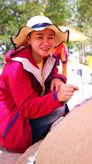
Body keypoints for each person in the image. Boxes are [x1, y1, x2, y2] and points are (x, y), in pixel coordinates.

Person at [0, 15, 78, 153]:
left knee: (61, 111)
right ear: (29, 39)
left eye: (50, 37)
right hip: (14, 127)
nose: (46, 42)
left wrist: (58, 78)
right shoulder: (16, 68)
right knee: (60, 109)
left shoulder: (48, 60)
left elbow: (51, 73)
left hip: (28, 119)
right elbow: (27, 107)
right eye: (39, 37)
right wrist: (57, 98)